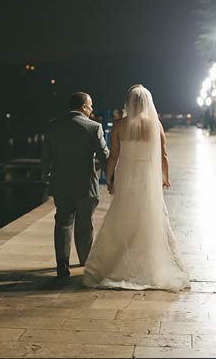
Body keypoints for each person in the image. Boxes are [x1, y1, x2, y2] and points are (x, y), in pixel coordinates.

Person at [82, 85, 189, 291]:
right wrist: (165, 177)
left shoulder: (120, 125)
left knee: (123, 215)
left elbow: (113, 156)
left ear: (128, 102)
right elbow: (163, 154)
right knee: (148, 216)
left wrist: (110, 177)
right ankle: (149, 264)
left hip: (127, 175)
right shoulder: (155, 124)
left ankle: (119, 263)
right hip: (148, 176)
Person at [41, 92, 110, 278]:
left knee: (62, 223)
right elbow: (104, 157)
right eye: (91, 106)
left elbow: (46, 156)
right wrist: (111, 177)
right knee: (85, 225)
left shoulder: (53, 126)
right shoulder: (94, 127)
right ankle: (84, 261)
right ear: (83, 107)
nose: (92, 109)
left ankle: (62, 264)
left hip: (61, 183)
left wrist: (46, 176)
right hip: (86, 184)